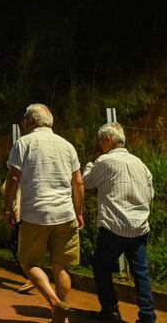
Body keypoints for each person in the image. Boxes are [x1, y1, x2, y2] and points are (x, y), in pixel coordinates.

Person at [4, 103, 84, 323]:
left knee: (29, 262)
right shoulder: (67, 145)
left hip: (36, 215)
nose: (22, 124)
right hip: (65, 214)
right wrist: (79, 213)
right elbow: (78, 182)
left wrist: (8, 207)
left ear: (32, 121)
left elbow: (13, 178)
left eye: (24, 120)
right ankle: (63, 317)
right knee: (60, 266)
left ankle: (55, 303)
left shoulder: (24, 143)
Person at [83, 123, 155, 323]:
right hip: (140, 226)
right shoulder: (140, 163)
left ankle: (111, 310)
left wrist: (92, 162)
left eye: (100, 142)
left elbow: (86, 182)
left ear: (107, 141)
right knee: (141, 272)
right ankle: (148, 316)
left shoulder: (105, 161)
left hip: (113, 226)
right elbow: (151, 194)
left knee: (101, 266)